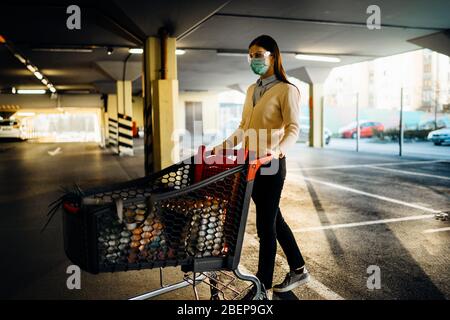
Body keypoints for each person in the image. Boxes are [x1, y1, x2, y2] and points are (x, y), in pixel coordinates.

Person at [214, 35, 309, 299]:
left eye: (258, 54)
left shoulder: (287, 90)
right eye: (251, 55)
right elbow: (243, 128)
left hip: (271, 164)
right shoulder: (251, 90)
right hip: (249, 164)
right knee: (274, 218)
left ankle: (261, 287)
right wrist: (219, 148)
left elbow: (293, 129)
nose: (254, 59)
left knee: (265, 225)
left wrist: (276, 151)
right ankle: (299, 268)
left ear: (273, 56)